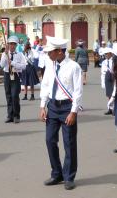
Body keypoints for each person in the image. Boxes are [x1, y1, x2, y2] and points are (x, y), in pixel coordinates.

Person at [39, 36, 82, 191]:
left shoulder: (74, 67)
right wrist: (43, 105)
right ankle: (57, 173)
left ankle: (69, 176)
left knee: (69, 143)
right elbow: (45, 85)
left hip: (67, 108)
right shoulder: (50, 65)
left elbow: (78, 92)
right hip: (53, 107)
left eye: (50, 52)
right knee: (50, 140)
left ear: (59, 51)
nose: (48, 55)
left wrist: (73, 112)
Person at [0, 36, 27, 123]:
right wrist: (5, 55)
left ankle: (16, 115)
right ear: (8, 45)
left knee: (15, 95)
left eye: (13, 44)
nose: (12, 46)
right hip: (7, 75)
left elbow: (24, 66)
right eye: (10, 44)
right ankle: (10, 115)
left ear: (16, 45)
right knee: (8, 95)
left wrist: (13, 63)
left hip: (15, 75)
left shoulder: (20, 54)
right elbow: (2, 65)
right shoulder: (5, 54)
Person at [100, 47, 114, 115]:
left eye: (107, 53)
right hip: (107, 77)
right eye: (105, 54)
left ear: (110, 53)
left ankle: (114, 109)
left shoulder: (114, 60)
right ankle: (110, 108)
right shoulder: (104, 62)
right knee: (108, 94)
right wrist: (102, 82)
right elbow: (102, 72)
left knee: (114, 94)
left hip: (113, 77)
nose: (105, 55)